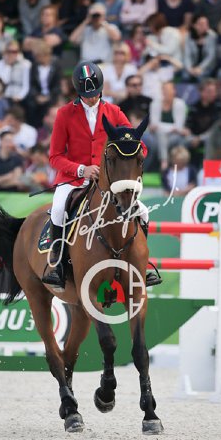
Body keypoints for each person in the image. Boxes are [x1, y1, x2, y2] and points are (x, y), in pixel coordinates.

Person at [43, 60, 161, 289]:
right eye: (87, 95)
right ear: (78, 92)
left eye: (96, 93)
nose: (92, 98)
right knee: (58, 210)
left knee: (143, 212)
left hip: (108, 181)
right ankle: (57, 264)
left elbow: (138, 146)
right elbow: (54, 157)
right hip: (74, 179)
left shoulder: (114, 112)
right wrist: (82, 169)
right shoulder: (64, 114)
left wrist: (130, 156)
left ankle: (143, 265)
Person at [149, 80, 187, 169]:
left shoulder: (180, 104)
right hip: (156, 135)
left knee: (172, 137)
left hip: (174, 135)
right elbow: (154, 124)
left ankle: (167, 163)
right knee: (160, 134)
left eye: (169, 90)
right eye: (164, 89)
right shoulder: (155, 103)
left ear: (174, 91)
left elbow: (179, 126)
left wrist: (161, 126)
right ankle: (164, 161)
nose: (166, 92)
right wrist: (172, 128)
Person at [183, 14, 217, 81]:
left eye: (206, 24)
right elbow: (187, 55)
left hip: (206, 67)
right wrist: (189, 69)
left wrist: (200, 68)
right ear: (194, 25)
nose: (204, 26)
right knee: (185, 75)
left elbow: (211, 56)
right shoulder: (189, 36)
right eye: (201, 24)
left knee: (200, 76)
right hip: (193, 66)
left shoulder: (212, 36)